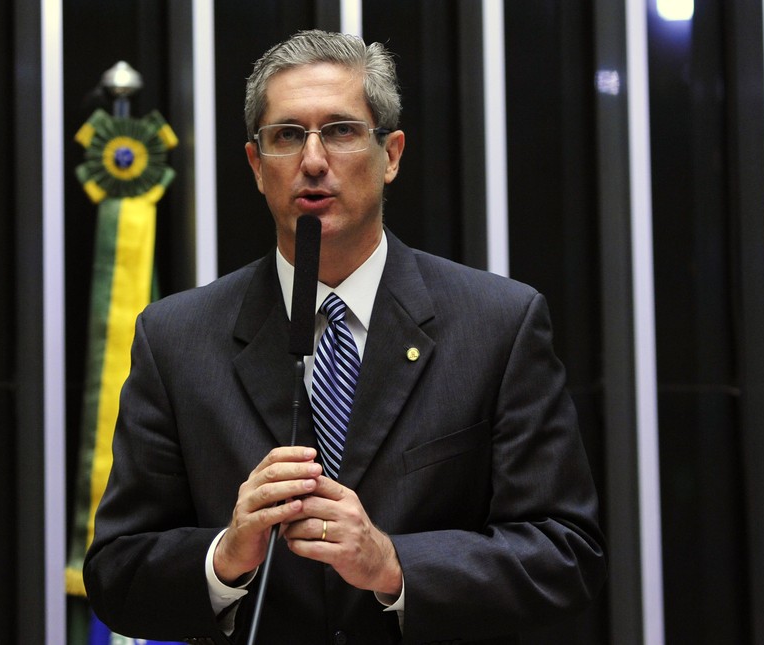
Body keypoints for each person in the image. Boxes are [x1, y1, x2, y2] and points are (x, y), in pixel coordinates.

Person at [83, 29, 606, 645]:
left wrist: (393, 566)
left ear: (392, 154)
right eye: (286, 135)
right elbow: (117, 572)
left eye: (340, 131)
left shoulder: (498, 324)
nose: (312, 160)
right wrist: (224, 557)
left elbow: (564, 554)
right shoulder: (176, 339)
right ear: (256, 165)